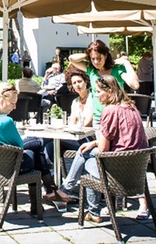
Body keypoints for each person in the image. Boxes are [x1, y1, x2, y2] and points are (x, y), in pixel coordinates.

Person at [53, 74, 149, 221]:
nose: (96, 96)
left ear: (109, 91)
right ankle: (91, 211)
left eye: (98, 92)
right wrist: (94, 142)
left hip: (116, 173)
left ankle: (66, 191)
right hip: (136, 171)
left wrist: (95, 143)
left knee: (83, 153)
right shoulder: (132, 108)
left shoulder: (110, 111)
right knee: (88, 155)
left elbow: (104, 149)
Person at [0, 82, 60, 200]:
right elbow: (20, 146)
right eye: (13, 103)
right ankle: (50, 191)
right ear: (2, 100)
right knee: (36, 147)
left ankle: (50, 191)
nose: (14, 107)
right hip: (8, 167)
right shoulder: (5, 121)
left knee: (34, 151)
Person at [70, 40, 140, 131]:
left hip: (117, 117)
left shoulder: (117, 69)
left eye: (99, 58)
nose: (96, 62)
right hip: (99, 119)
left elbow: (135, 85)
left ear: (106, 55)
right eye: (93, 59)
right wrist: (89, 53)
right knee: (101, 145)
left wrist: (126, 63)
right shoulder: (91, 70)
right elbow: (71, 58)